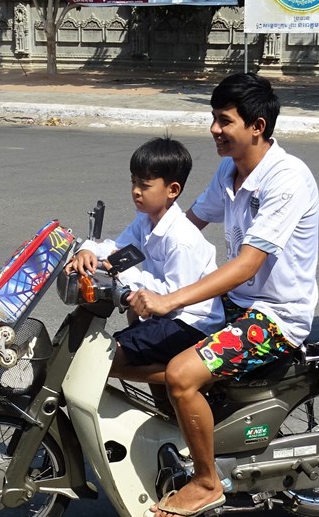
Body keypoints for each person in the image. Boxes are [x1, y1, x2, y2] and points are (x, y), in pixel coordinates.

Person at [128, 72, 319, 517]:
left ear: (257, 126)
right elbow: (186, 225)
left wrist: (169, 298)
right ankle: (190, 429)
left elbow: (246, 265)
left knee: (180, 372)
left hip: (276, 317)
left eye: (223, 121)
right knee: (142, 349)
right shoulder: (229, 170)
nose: (214, 130)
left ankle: (207, 482)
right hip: (235, 304)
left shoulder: (287, 179)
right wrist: (115, 261)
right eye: (213, 119)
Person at [65, 137, 224, 386]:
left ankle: (186, 381)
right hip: (164, 317)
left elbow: (172, 296)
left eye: (145, 185)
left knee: (108, 356)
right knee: (108, 350)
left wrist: (122, 274)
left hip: (190, 323)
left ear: (172, 190)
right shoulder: (146, 221)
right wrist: (88, 251)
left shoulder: (182, 238)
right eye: (134, 182)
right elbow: (115, 249)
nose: (136, 191)